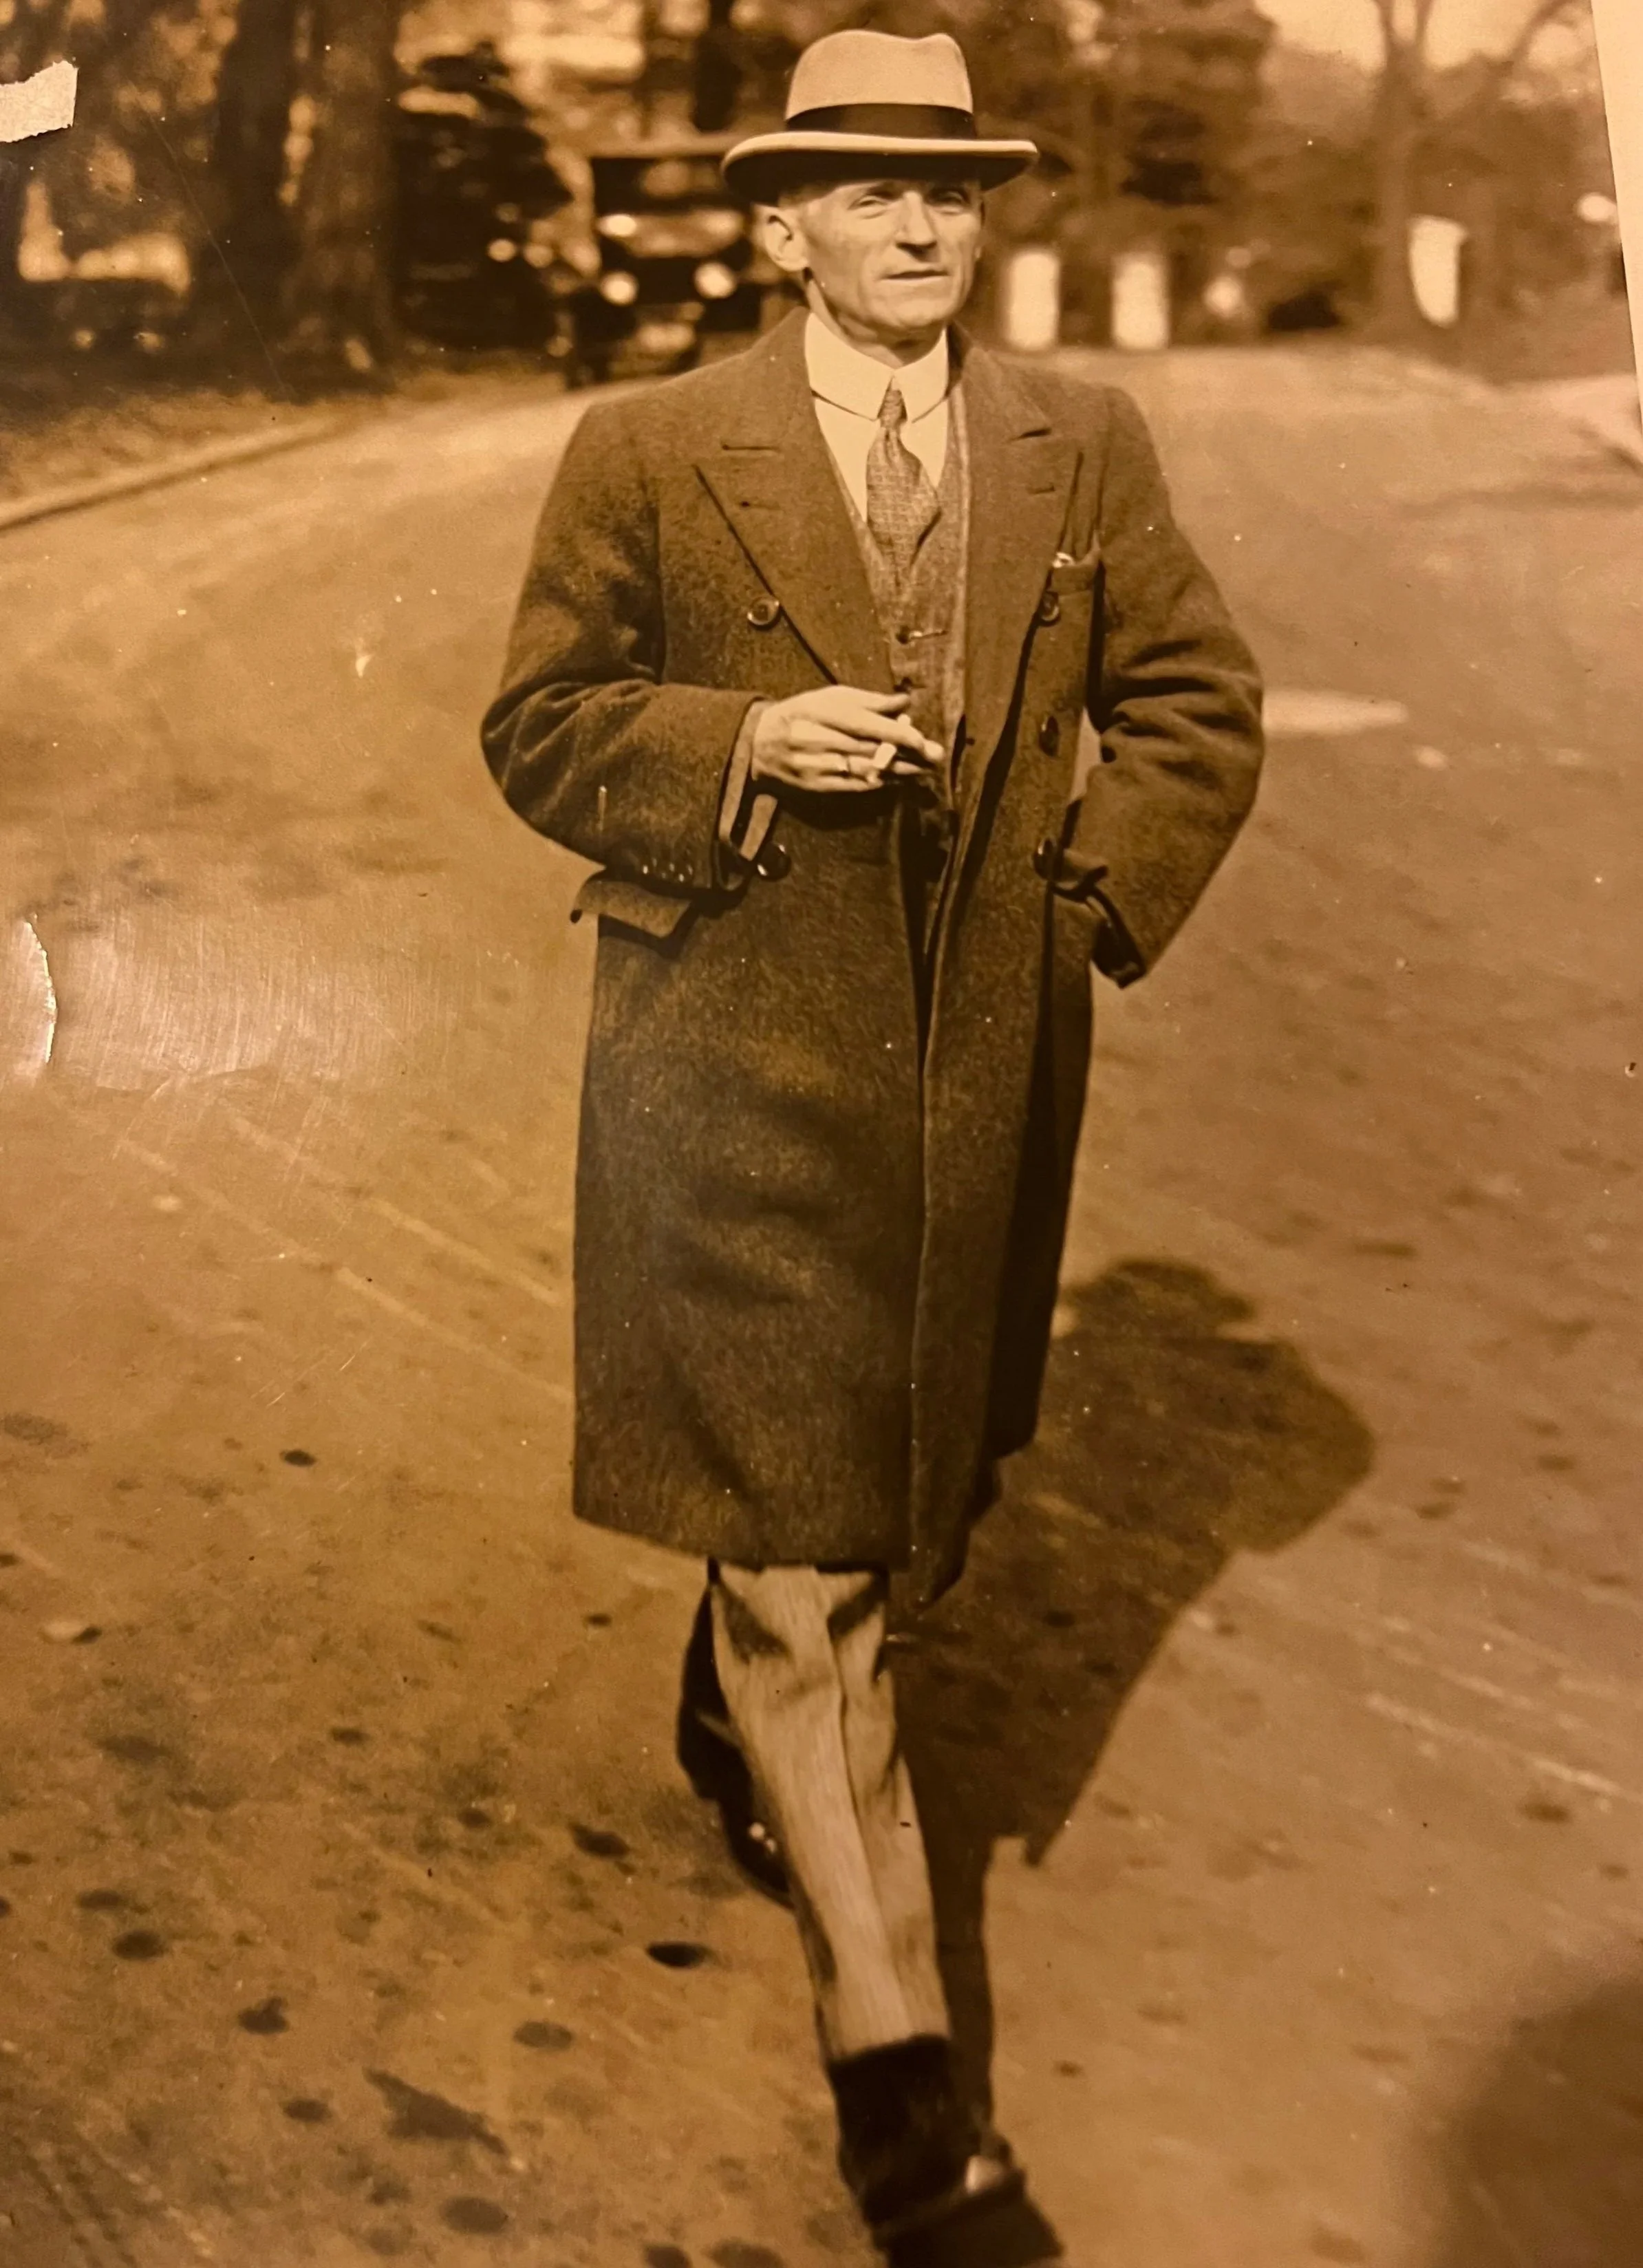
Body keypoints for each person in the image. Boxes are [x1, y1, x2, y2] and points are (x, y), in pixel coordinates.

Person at [482, 27, 1263, 2251]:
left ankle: (742, 1682)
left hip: (977, 1074)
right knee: (817, 1592)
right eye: (870, 189)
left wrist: (1082, 897)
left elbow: (1198, 704)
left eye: (955, 191)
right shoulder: (647, 449)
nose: (925, 226)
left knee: (899, 1504)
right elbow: (536, 725)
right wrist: (742, 737)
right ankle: (902, 2088)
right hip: (721, 1058)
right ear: (782, 224)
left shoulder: (1075, 445)